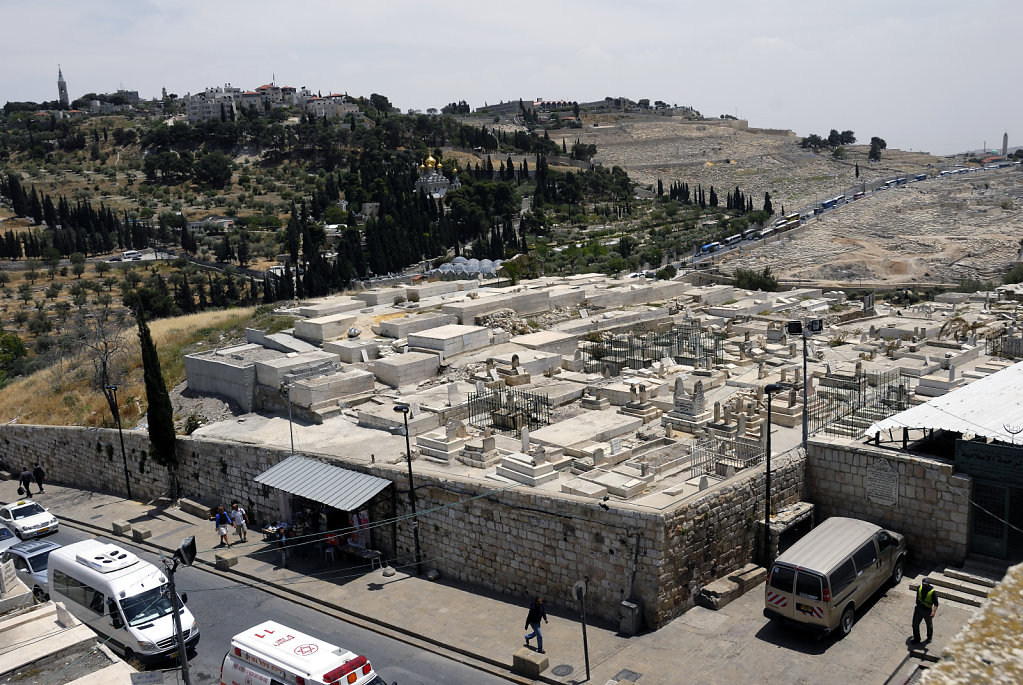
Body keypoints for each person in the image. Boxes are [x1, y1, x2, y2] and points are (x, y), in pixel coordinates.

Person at [912, 578, 939, 644]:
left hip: (927, 611)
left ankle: (929, 638)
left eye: (925, 585)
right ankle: (917, 638)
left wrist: (933, 612)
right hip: (918, 609)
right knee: (915, 624)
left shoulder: (932, 592)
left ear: (928, 584)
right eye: (923, 584)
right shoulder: (919, 588)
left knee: (929, 625)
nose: (924, 586)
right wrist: (916, 602)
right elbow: (917, 595)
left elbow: (936, 603)